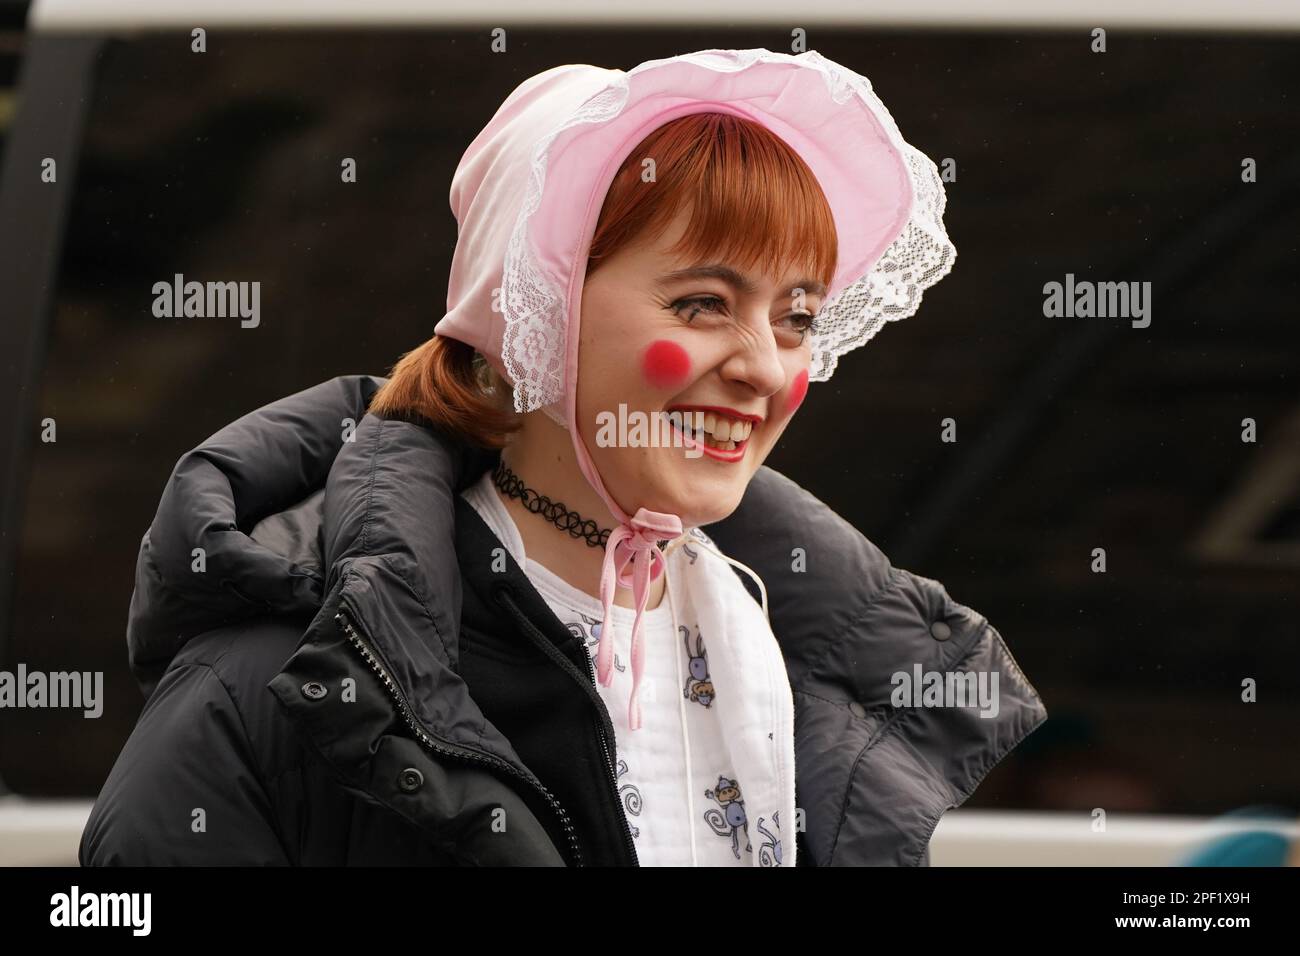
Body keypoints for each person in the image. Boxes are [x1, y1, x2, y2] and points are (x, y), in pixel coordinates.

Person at [81, 47, 1047, 866]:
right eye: (702, 304)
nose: (765, 368)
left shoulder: (799, 650)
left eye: (796, 317)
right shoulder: (286, 681)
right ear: (538, 313)